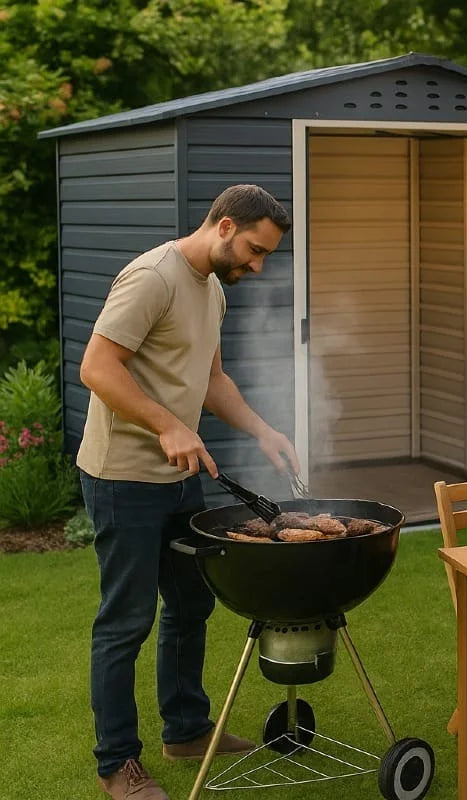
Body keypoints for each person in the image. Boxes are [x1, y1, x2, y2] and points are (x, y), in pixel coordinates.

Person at [78, 185, 301, 800]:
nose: (258, 266)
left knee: (190, 603)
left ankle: (186, 730)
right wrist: (166, 425)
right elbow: (96, 367)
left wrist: (262, 431)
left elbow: (212, 380)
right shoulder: (153, 277)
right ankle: (117, 764)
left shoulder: (212, 289)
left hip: (179, 478)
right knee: (126, 621)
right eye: (255, 250)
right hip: (122, 477)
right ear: (224, 226)